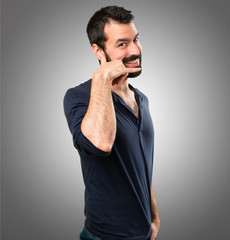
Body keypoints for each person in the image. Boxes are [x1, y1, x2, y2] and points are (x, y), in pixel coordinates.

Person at [64, 5, 160, 240]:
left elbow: (142, 163)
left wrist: (154, 218)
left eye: (135, 39)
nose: (136, 50)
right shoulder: (78, 97)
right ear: (98, 51)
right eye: (122, 44)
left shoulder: (142, 99)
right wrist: (102, 76)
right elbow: (100, 144)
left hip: (143, 234)